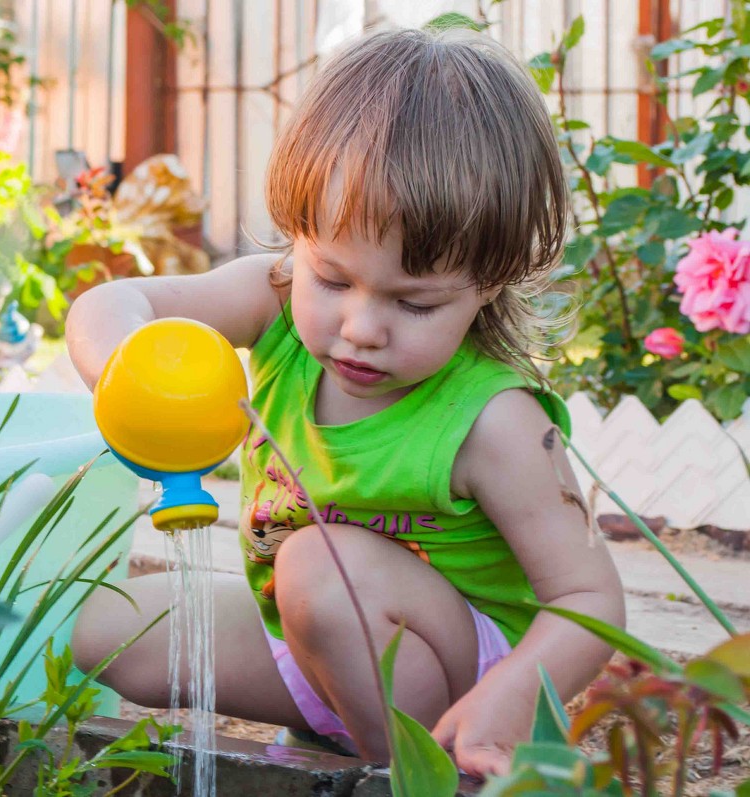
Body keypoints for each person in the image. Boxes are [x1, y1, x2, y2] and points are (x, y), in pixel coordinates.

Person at [64, 26, 625, 778]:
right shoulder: (271, 297)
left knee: (317, 571)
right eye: (331, 279)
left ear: (490, 280)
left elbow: (589, 598)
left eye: (415, 303)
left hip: (459, 686)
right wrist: (128, 372)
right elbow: (116, 302)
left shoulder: (495, 422)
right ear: (300, 238)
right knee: (104, 625)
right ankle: (343, 730)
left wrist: (510, 700)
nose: (360, 329)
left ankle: (416, 775)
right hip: (315, 643)